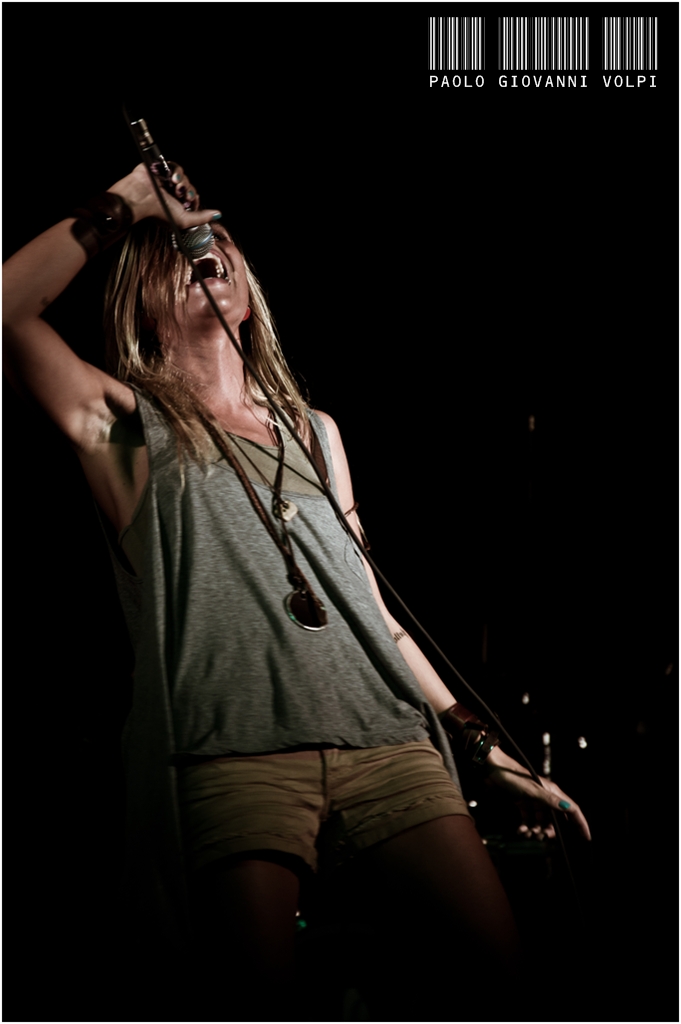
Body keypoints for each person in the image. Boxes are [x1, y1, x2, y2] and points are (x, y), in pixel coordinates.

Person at [3, 160, 590, 1020]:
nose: (204, 249)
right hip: (235, 753)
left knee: (501, 979)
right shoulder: (126, 428)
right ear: (142, 299)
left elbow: (373, 613)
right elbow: (8, 309)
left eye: (217, 239)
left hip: (386, 740)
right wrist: (125, 204)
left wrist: (482, 749)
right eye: (175, 248)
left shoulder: (316, 433)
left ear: (248, 289)